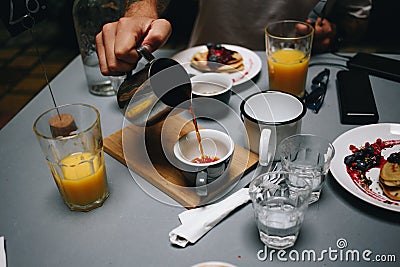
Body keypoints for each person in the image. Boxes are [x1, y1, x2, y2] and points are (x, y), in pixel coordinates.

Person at [96, 0, 372, 77]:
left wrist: (332, 34)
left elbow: (356, 17)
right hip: (199, 70)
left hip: (297, 72)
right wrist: (142, 9)